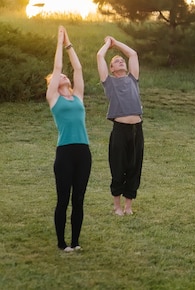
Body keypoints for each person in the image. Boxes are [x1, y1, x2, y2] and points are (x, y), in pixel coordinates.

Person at [46, 26, 92, 252]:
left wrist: (69, 43)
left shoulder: (78, 97)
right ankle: (62, 243)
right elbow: (58, 67)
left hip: (83, 152)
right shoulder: (53, 98)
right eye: (58, 77)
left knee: (79, 199)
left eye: (64, 76)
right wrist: (58, 42)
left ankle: (75, 242)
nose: (63, 76)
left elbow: (78, 68)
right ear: (52, 84)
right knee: (63, 199)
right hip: (64, 152)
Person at [97, 36, 144, 216]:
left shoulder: (133, 79)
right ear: (111, 69)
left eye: (121, 60)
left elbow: (132, 54)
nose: (121, 61)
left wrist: (116, 43)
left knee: (134, 166)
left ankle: (128, 206)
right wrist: (107, 45)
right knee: (118, 166)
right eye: (116, 61)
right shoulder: (109, 83)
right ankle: (117, 206)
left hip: (137, 130)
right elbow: (99, 57)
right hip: (120, 130)